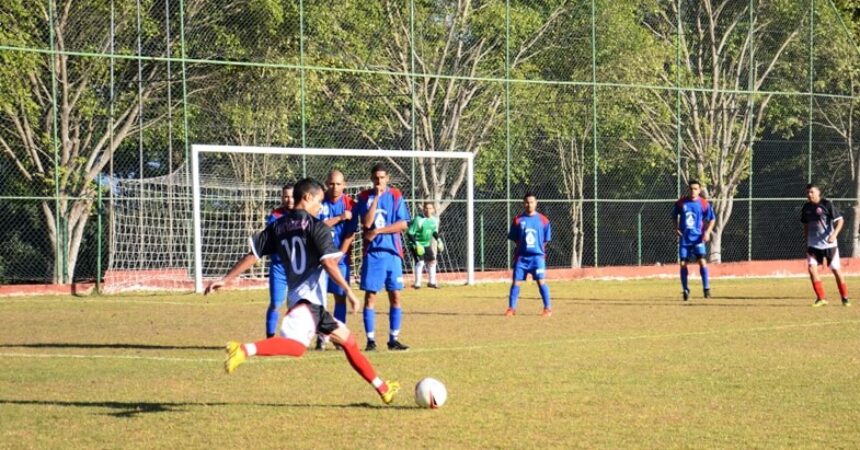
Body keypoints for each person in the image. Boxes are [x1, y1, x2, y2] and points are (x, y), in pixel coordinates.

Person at [205, 178, 400, 405]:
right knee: (297, 348)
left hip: (303, 300)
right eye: (319, 201)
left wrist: (226, 279)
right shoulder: (317, 227)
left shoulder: (277, 226)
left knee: (348, 341)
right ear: (307, 198)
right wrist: (349, 292)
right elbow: (329, 264)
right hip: (307, 300)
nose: (320, 207)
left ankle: (384, 388)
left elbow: (253, 254)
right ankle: (244, 349)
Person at [356, 164, 411, 351]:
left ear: (388, 178)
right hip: (373, 254)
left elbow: (403, 224)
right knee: (370, 297)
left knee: (395, 296)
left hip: (393, 254)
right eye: (376, 178)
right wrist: (377, 198)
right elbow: (367, 223)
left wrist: (379, 231)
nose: (379, 181)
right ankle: (370, 340)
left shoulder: (396, 195)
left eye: (382, 177)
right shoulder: (364, 197)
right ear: (371, 179)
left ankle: (393, 339)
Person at [315, 169, 358, 350]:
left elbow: (350, 233)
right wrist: (339, 217)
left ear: (344, 185)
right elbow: (315, 226)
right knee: (319, 299)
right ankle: (321, 337)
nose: (335, 187)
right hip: (319, 259)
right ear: (326, 183)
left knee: (340, 297)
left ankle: (338, 336)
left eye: (338, 184)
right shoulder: (318, 201)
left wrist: (341, 252)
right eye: (331, 183)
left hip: (339, 259)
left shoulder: (350, 203)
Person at [801, 183, 850, 307]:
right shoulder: (806, 207)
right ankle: (821, 298)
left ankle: (845, 298)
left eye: (811, 192)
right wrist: (806, 241)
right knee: (812, 269)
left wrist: (834, 235)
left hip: (829, 245)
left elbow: (840, 220)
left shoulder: (826, 204)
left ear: (818, 192)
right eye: (808, 192)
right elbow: (806, 225)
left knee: (836, 270)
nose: (809, 194)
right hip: (813, 245)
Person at [506, 193, 552, 317]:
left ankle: (548, 309)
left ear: (536, 203)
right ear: (523, 203)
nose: (529, 204)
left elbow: (545, 239)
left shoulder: (544, 220)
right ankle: (511, 309)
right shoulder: (518, 220)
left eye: (531, 202)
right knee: (516, 282)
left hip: (537, 257)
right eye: (527, 202)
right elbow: (515, 238)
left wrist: (537, 249)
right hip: (521, 257)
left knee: (541, 282)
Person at [672, 180, 716, 301]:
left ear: (699, 190)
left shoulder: (703, 203)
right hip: (685, 239)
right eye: (691, 188)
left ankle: (706, 288)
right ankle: (685, 289)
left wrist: (707, 232)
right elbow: (674, 216)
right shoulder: (681, 203)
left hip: (698, 239)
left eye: (695, 189)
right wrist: (676, 228)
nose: (693, 191)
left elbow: (712, 219)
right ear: (688, 189)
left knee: (702, 262)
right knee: (682, 264)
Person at [265, 183, 294, 337]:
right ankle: (270, 337)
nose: (289, 200)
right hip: (279, 267)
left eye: (292, 196)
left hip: (297, 267)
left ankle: (291, 337)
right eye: (286, 196)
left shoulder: (303, 214)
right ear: (282, 198)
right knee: (276, 303)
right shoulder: (275, 216)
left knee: (296, 304)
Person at [407, 202, 442, 289]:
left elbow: (433, 231)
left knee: (432, 262)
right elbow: (409, 233)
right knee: (421, 262)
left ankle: (432, 282)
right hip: (416, 244)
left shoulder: (434, 220)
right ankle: (417, 284)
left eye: (430, 208)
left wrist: (438, 240)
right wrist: (416, 244)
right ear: (423, 209)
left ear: (433, 210)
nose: (428, 210)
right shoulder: (418, 219)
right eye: (426, 208)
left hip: (426, 244)